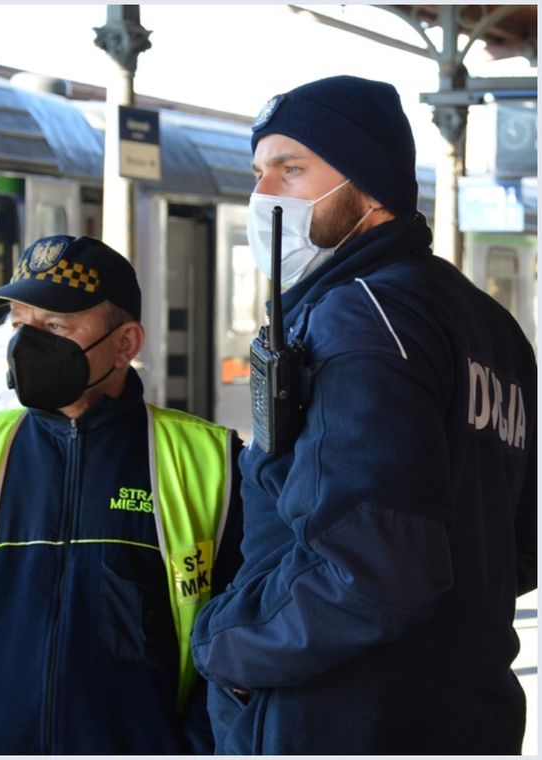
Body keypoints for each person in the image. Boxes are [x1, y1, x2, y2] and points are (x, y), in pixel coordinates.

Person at [191, 75, 537, 754]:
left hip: (342, 717)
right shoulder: (494, 330)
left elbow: (374, 569)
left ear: (371, 187)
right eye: (259, 173)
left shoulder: (359, 316)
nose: (265, 195)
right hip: (469, 712)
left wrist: (225, 646)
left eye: (293, 170)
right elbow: (518, 551)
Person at [0, 234, 244, 754]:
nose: (27, 344)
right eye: (20, 322)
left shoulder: (215, 462)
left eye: (54, 327)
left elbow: (238, 644)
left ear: (125, 344)